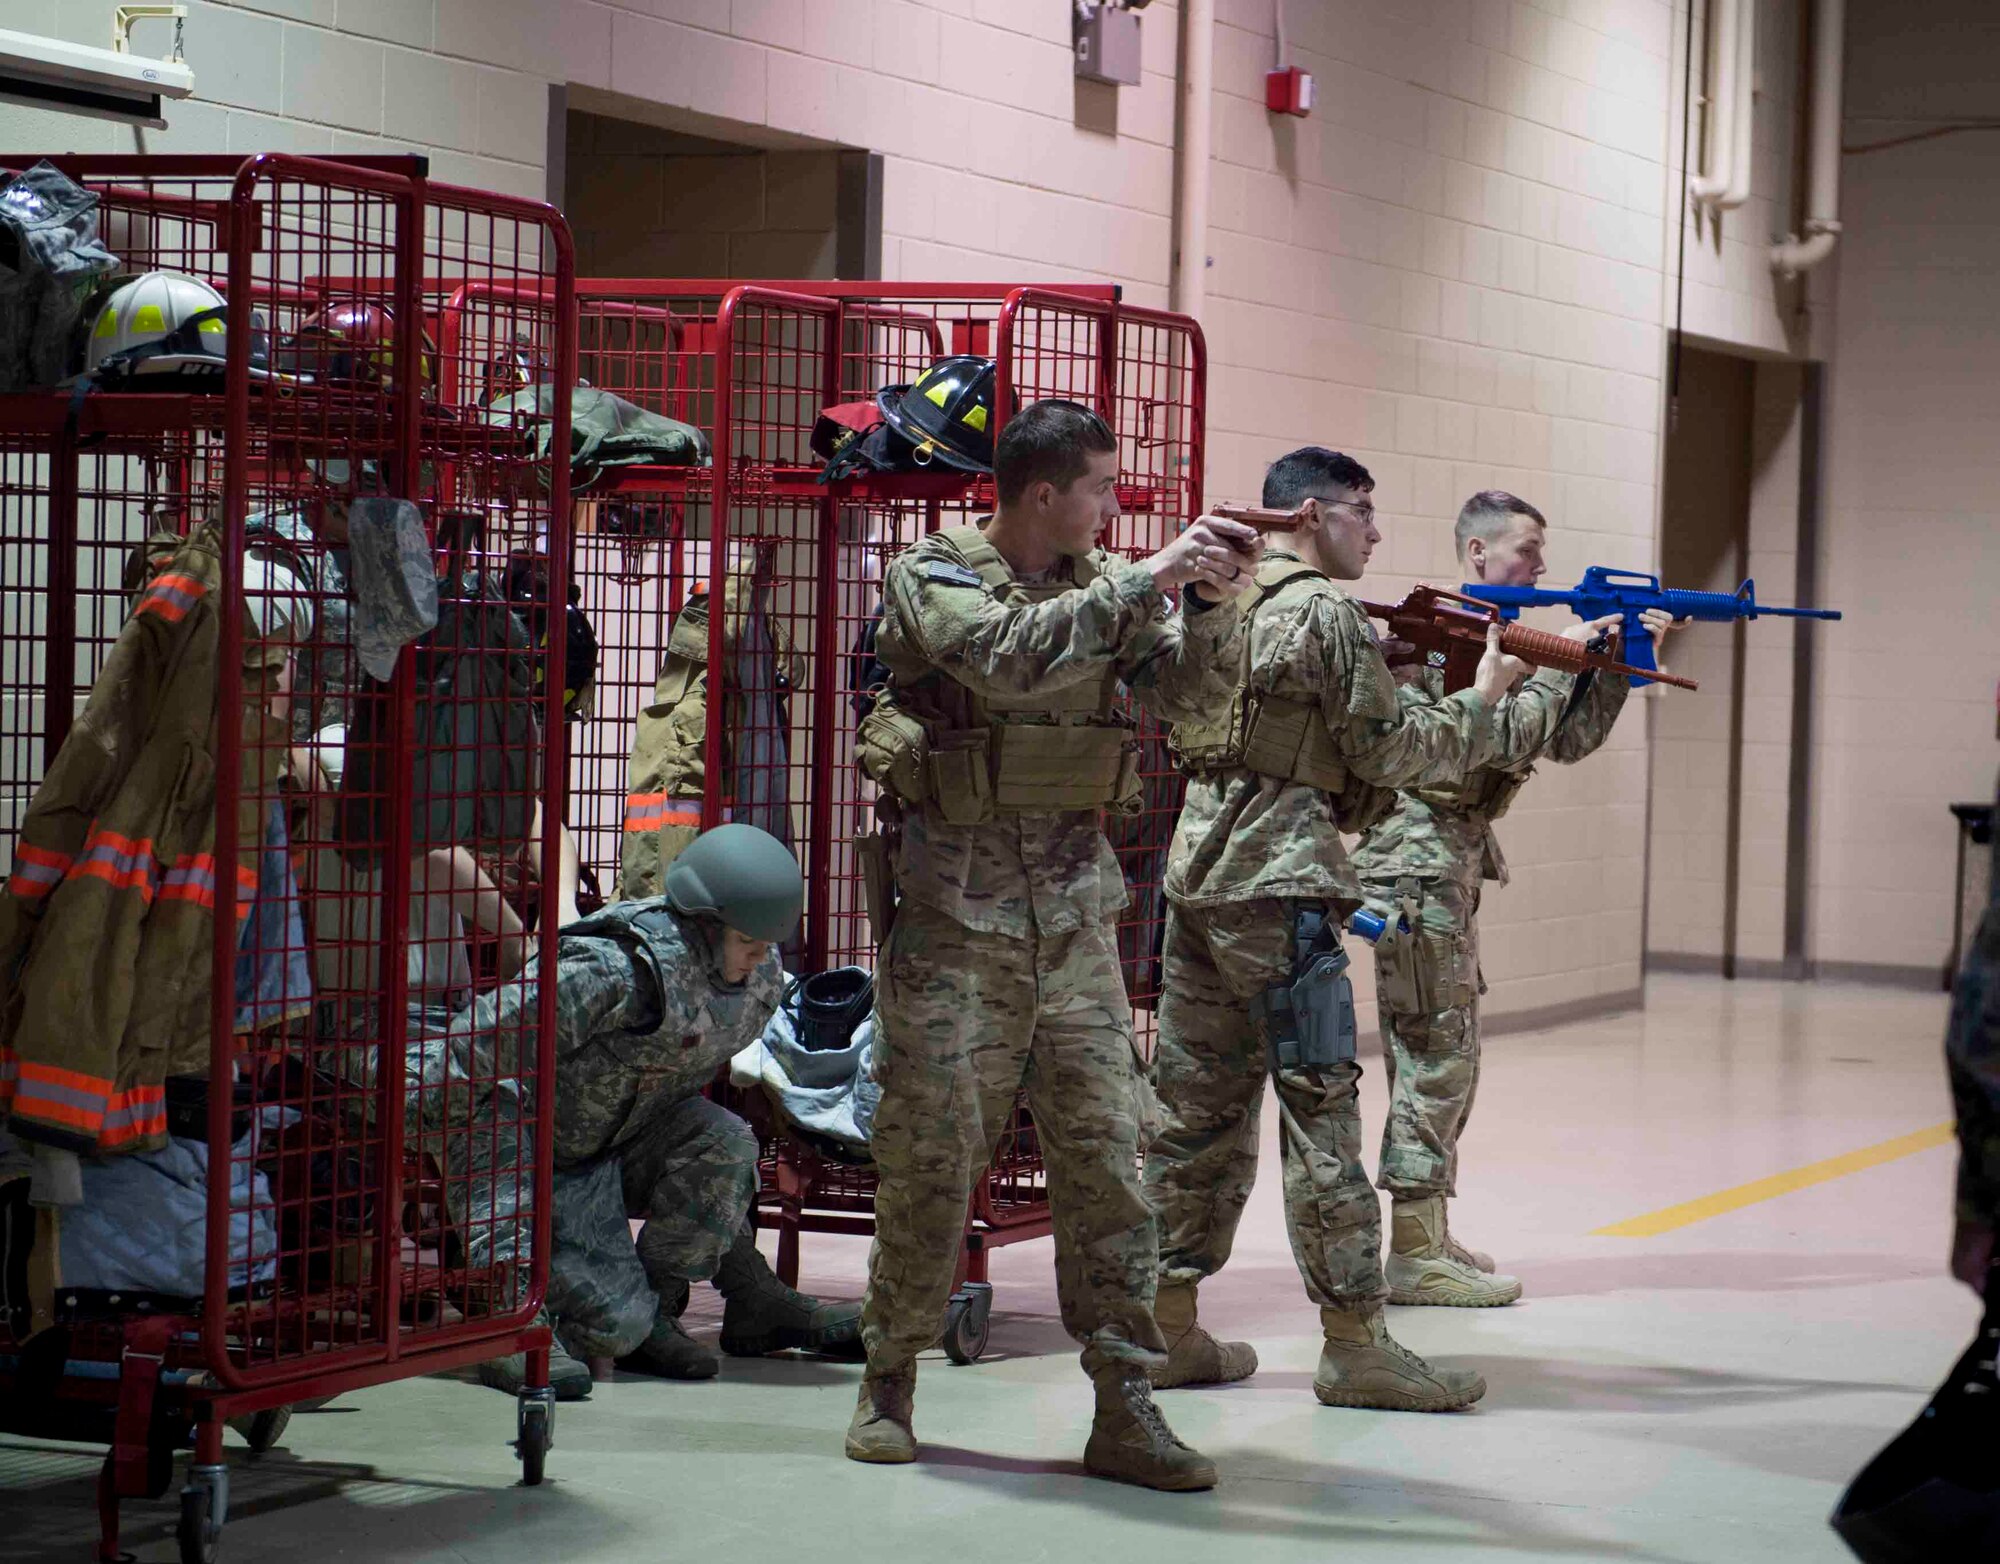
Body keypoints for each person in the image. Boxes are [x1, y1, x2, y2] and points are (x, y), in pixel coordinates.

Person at [843, 399, 1261, 1491]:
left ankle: (1123, 1406)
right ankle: (888, 1375)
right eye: (1100, 488)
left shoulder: (1104, 583)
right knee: (930, 1167)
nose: (1114, 508)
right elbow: (1004, 662)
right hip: (952, 927)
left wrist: (1210, 607)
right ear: (1041, 493)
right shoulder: (930, 575)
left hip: (1075, 927)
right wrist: (1151, 576)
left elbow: (1195, 705)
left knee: (1107, 1170)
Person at [1144, 446, 1599, 1412]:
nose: (1377, 531)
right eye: (1364, 511)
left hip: (1197, 879)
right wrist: (1480, 697)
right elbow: (1394, 753)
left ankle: (1167, 1322)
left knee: (1193, 1113)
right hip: (1289, 888)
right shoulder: (1326, 613)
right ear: (1314, 514)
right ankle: (1355, 1344)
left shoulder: (1222, 597)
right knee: (1321, 1117)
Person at [1349, 490, 1672, 1310]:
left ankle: (1426, 1231)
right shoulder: (1427, 641)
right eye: (1527, 551)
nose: (1541, 567)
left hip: (1447, 864)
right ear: (1478, 556)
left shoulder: (1502, 641)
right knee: (1434, 1055)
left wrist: (1614, 668)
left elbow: (1564, 742)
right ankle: (1414, 1256)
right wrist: (1558, 657)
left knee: (1449, 1052)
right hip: (1414, 866)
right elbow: (1474, 745)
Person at [469, 823, 863, 1399]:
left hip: (619, 1135)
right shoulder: (615, 965)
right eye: (748, 944)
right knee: (494, 1120)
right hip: (535, 1138)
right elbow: (482, 1040)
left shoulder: (748, 974)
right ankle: (510, 1325)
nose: (761, 960)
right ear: (706, 925)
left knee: (723, 1140)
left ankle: (680, 1308)